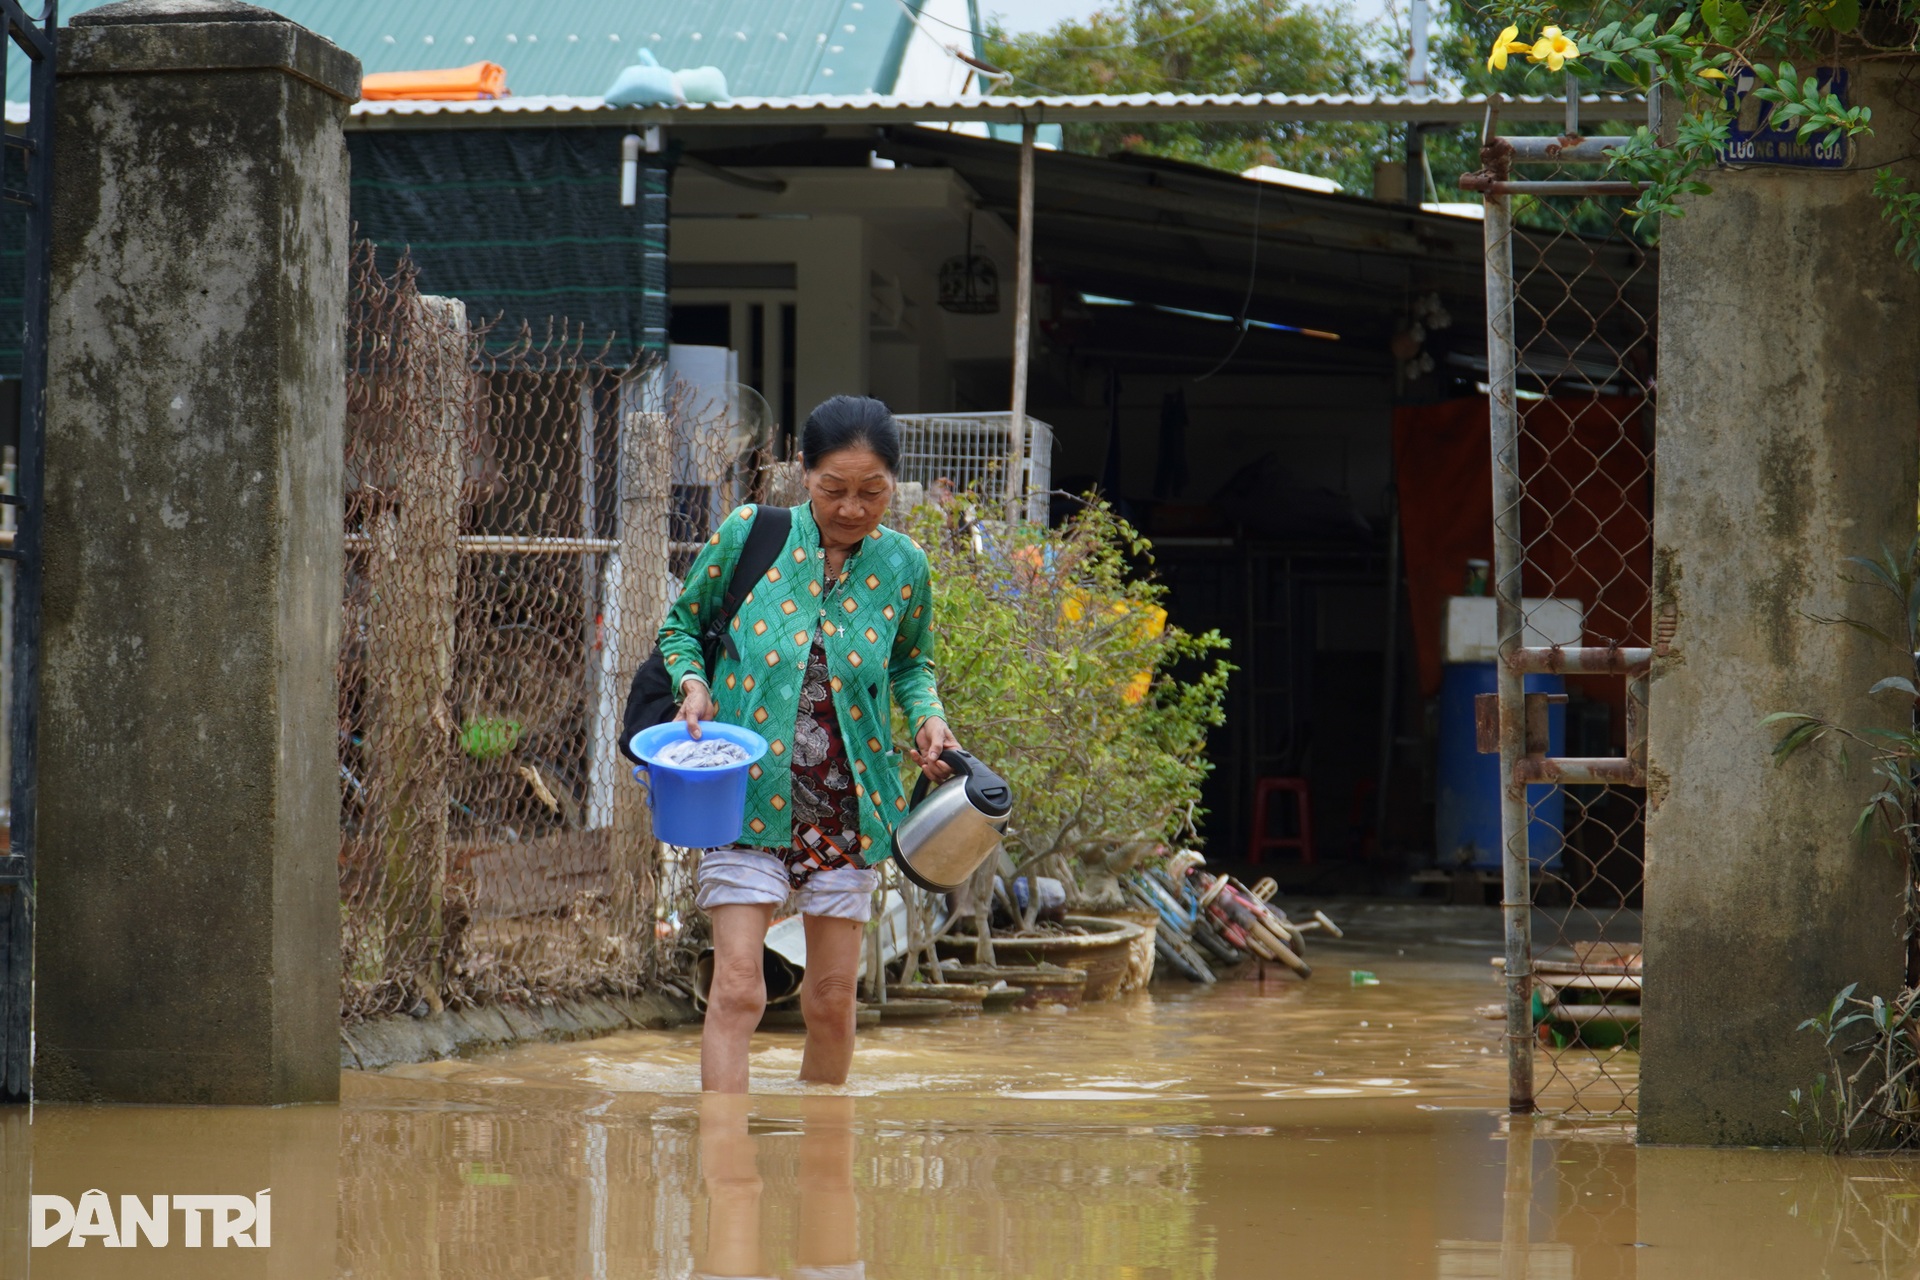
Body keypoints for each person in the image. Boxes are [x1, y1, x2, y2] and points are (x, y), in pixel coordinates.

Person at [658, 395, 961, 1093]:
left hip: (847, 808)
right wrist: (693, 688)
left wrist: (928, 719)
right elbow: (681, 628)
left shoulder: (904, 566)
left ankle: (826, 1175)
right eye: (834, 490)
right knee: (738, 990)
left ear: (892, 484)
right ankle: (727, 1173)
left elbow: (914, 664)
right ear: (804, 474)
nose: (852, 508)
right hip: (743, 798)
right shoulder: (748, 535)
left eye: (871, 492)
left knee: (829, 1002)